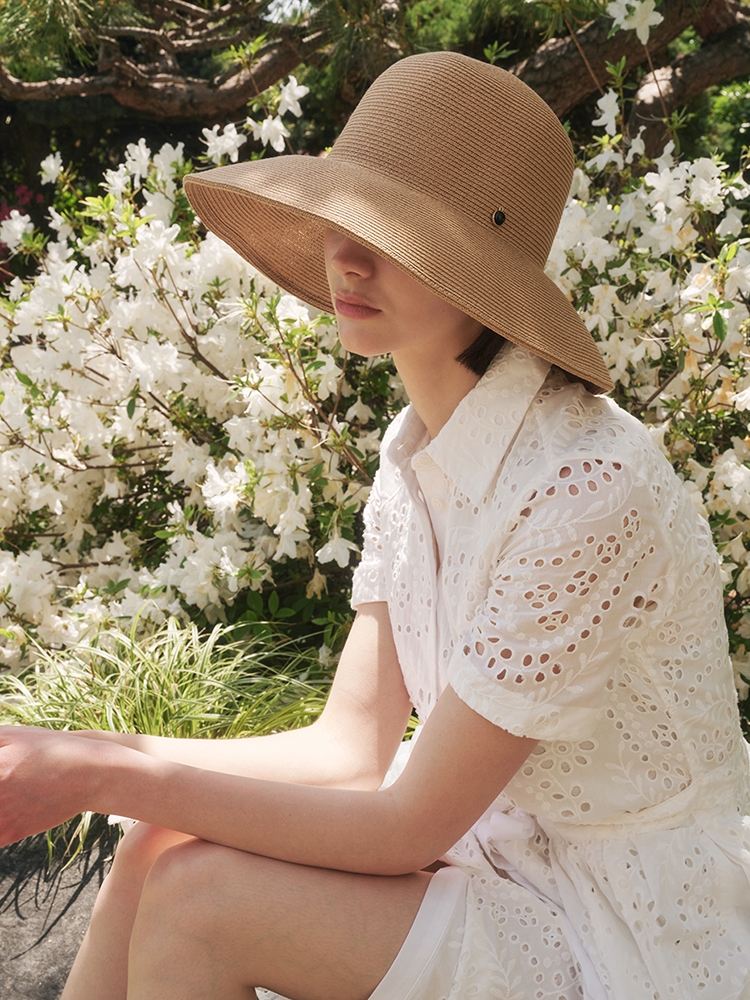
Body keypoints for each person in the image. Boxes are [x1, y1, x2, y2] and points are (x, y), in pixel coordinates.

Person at [1, 51, 749, 1000]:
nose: (345, 258)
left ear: (481, 273)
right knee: (160, 845)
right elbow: (348, 749)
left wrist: (98, 781)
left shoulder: (583, 483)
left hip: (627, 930)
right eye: (343, 220)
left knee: (202, 899)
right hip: (502, 867)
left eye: (394, 236)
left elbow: (407, 826)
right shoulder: (415, 456)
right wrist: (73, 753)